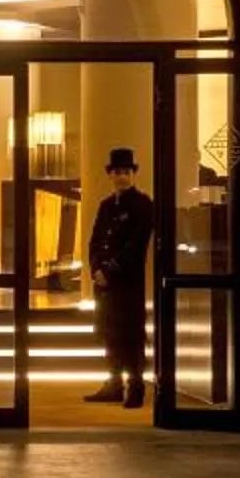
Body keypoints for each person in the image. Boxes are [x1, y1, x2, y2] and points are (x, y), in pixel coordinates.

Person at [85, 146, 158, 408]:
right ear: (110, 174)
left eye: (126, 172)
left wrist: (110, 270)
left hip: (127, 283)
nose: (121, 177)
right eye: (117, 172)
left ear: (134, 174)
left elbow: (136, 245)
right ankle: (114, 383)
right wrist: (95, 269)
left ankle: (135, 386)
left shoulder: (142, 205)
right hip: (105, 284)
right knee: (109, 333)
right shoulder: (106, 206)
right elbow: (95, 241)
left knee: (131, 335)